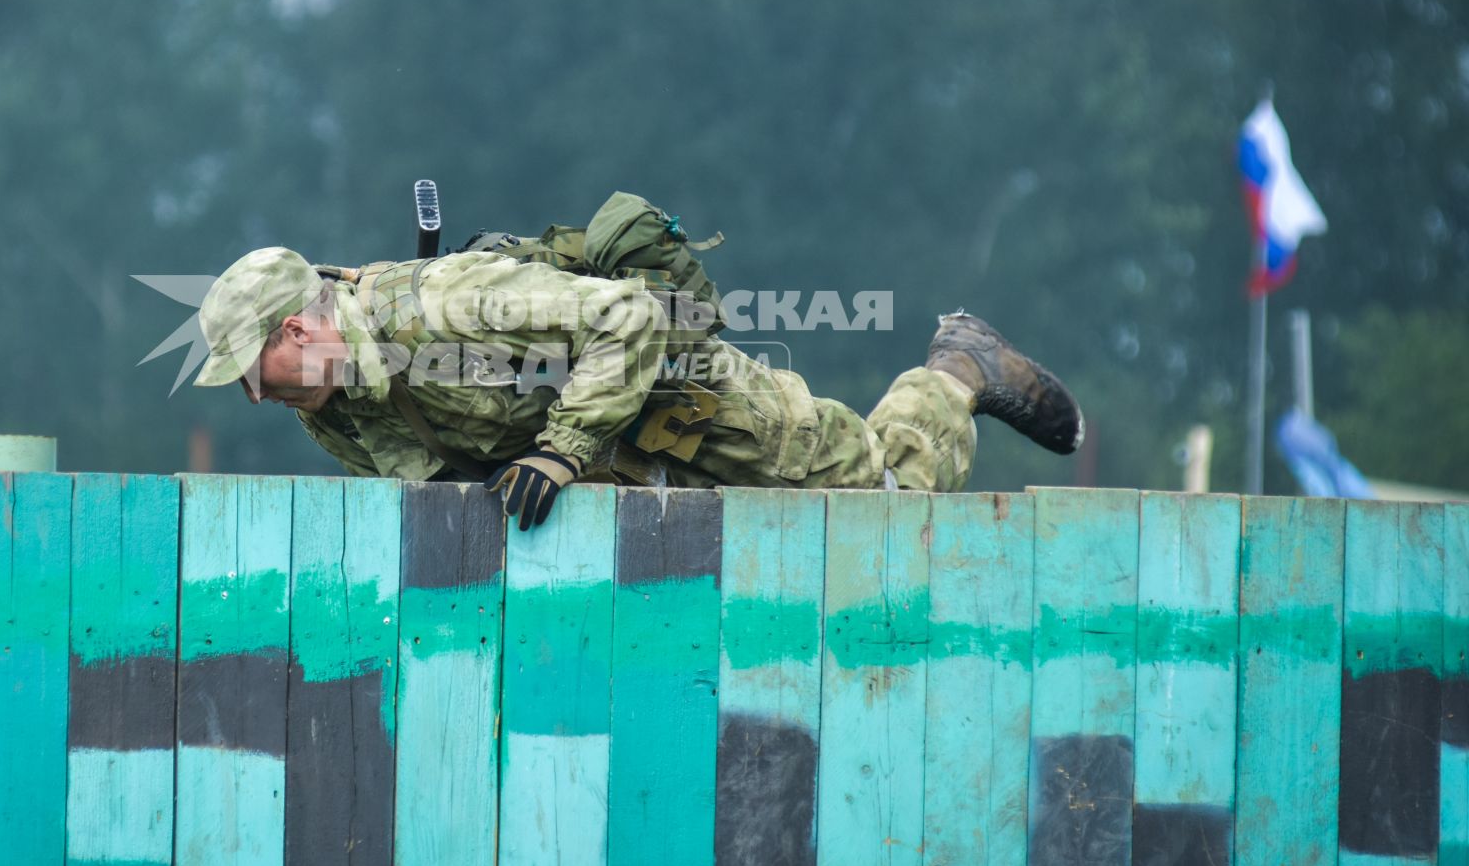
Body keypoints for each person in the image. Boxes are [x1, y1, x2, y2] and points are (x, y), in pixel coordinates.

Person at [191, 245, 1083, 530]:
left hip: (688, 404)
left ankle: (959, 369)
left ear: (297, 330)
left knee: (886, 508)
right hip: (623, 489)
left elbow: (627, 316)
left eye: (253, 374)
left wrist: (559, 450)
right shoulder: (332, 411)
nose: (256, 401)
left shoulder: (445, 303)